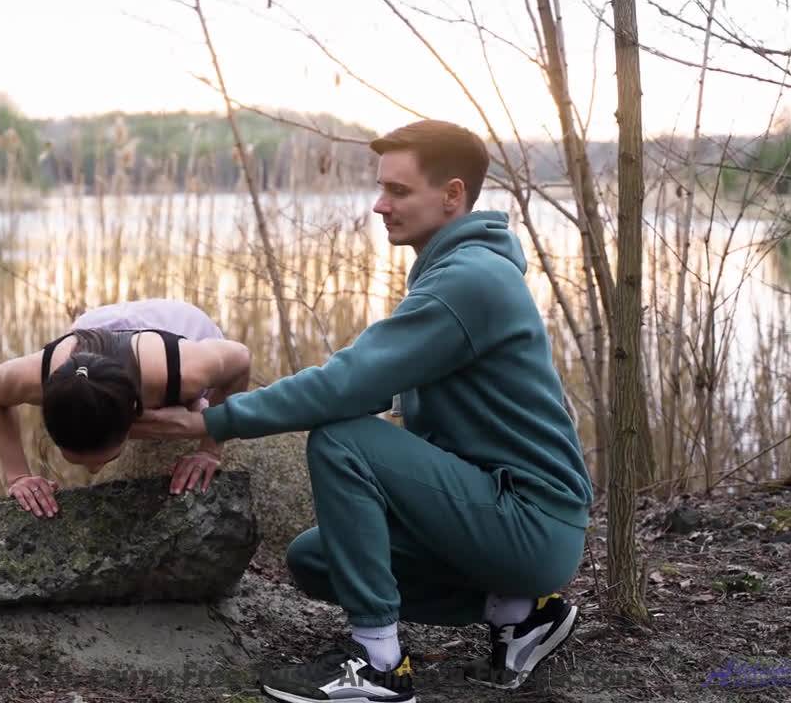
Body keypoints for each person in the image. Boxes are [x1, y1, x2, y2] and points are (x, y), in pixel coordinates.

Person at [135, 120, 592, 702]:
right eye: (382, 188)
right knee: (316, 559)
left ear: (452, 195)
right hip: (506, 516)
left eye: (398, 191)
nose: (380, 205)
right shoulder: (457, 273)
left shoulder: (470, 282)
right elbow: (367, 384)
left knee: (342, 439)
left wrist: (209, 421)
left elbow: (347, 385)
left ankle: (379, 667)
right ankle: (519, 613)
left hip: (530, 521)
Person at [0, 298, 251, 518]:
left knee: (196, 405)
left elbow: (240, 358)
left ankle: (187, 405)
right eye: (76, 459)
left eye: (108, 458)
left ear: (133, 411)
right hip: (97, 325)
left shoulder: (185, 372)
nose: (93, 471)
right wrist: (18, 476)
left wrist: (209, 449)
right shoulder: (40, 377)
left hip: (177, 324)